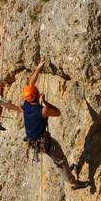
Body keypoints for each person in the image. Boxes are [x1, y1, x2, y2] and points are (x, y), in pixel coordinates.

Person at [22, 60, 90, 190]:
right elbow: (57, 113)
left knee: (57, 157)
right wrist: (45, 102)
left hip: (34, 140)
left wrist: (39, 67)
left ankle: (66, 171)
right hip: (43, 141)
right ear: (37, 96)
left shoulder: (26, 104)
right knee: (60, 159)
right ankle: (73, 183)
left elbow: (31, 82)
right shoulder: (42, 110)